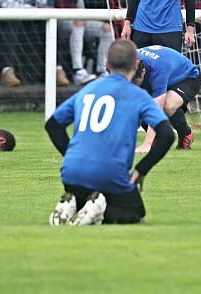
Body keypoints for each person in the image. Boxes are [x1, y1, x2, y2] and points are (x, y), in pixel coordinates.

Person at [44, 39, 174, 225]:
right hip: (111, 174)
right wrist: (141, 169)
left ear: (106, 65)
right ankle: (97, 212)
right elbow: (167, 134)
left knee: (92, 196)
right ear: (136, 65)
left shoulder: (88, 89)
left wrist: (70, 154)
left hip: (72, 175)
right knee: (136, 215)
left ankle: (75, 206)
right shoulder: (138, 95)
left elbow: (53, 125)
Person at [131, 44, 201, 152]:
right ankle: (157, 137)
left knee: (167, 106)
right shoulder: (127, 60)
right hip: (169, 74)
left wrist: (147, 144)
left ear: (144, 72)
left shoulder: (159, 68)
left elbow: (156, 109)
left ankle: (186, 134)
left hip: (188, 77)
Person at [46, 0, 97, 85]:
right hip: (58, 21)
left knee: (106, 28)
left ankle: (102, 70)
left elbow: (81, 6)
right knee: (78, 24)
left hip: (77, 18)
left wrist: (82, 17)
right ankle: (78, 71)